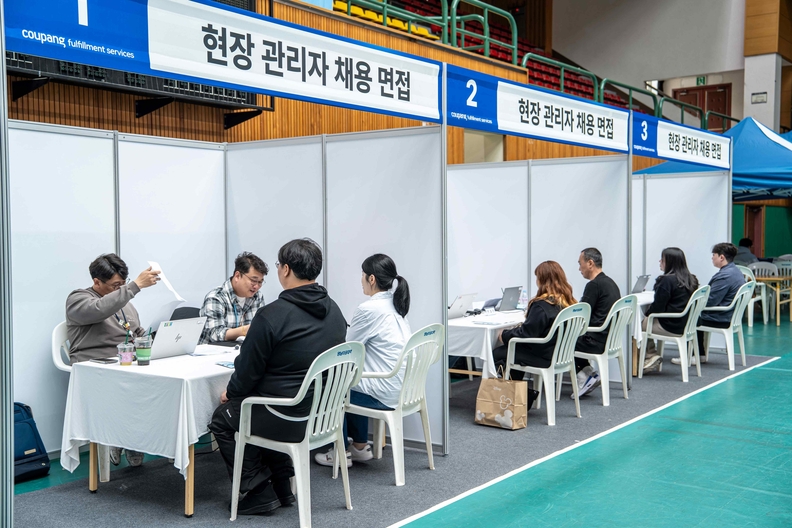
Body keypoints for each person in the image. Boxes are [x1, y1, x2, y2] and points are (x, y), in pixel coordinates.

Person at [209, 238, 346, 516]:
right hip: (320, 415)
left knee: (224, 418)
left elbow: (246, 373)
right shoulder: (335, 311)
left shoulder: (271, 315)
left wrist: (232, 393)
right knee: (264, 405)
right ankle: (282, 486)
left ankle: (258, 489)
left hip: (284, 416)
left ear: (285, 269)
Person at [314, 254, 412, 469]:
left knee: (334, 385)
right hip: (403, 388)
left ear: (371, 279)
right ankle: (359, 446)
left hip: (383, 392)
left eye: (362, 275)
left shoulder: (369, 309)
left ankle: (340, 453)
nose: (361, 280)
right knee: (353, 379)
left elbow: (347, 349)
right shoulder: (397, 305)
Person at [65, 253, 161, 467]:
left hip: (125, 363)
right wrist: (135, 286)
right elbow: (99, 309)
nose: (120, 290)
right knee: (131, 390)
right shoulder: (78, 299)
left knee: (157, 388)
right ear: (96, 282)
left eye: (123, 284)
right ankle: (122, 438)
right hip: (94, 366)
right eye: (115, 285)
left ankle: (131, 438)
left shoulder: (124, 302)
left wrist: (154, 338)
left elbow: (135, 331)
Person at [492, 261, 576, 380]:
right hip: (561, 355)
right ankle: (518, 388)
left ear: (542, 280)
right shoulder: (568, 303)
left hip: (542, 357)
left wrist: (504, 335)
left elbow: (527, 334)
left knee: (498, 353)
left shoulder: (541, 305)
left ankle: (511, 389)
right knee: (513, 351)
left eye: (537, 277)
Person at [672, 243, 744, 366]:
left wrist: (691, 301)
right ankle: (699, 355)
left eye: (714, 255)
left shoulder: (725, 276)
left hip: (721, 317)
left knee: (689, 317)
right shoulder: (735, 271)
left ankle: (691, 356)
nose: (712, 257)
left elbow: (710, 301)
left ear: (721, 257)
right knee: (695, 314)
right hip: (729, 315)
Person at [574, 248, 621, 397]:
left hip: (595, 341)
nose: (579, 268)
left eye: (580, 264)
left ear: (590, 263)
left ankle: (583, 376)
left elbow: (581, 315)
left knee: (562, 340)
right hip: (609, 340)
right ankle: (589, 373)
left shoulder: (593, 285)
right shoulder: (611, 283)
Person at [642, 247, 699, 372]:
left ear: (669, 262)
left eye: (662, 259)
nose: (660, 262)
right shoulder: (692, 279)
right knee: (646, 321)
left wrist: (646, 315)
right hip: (686, 324)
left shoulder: (666, 280)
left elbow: (657, 308)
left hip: (670, 325)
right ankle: (649, 356)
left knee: (637, 324)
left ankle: (649, 356)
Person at [199, 252, 268, 345]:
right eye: (253, 280)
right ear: (237, 276)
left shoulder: (257, 297)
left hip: (243, 350)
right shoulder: (216, 297)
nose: (256, 286)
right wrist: (244, 330)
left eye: (260, 282)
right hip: (214, 351)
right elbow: (215, 334)